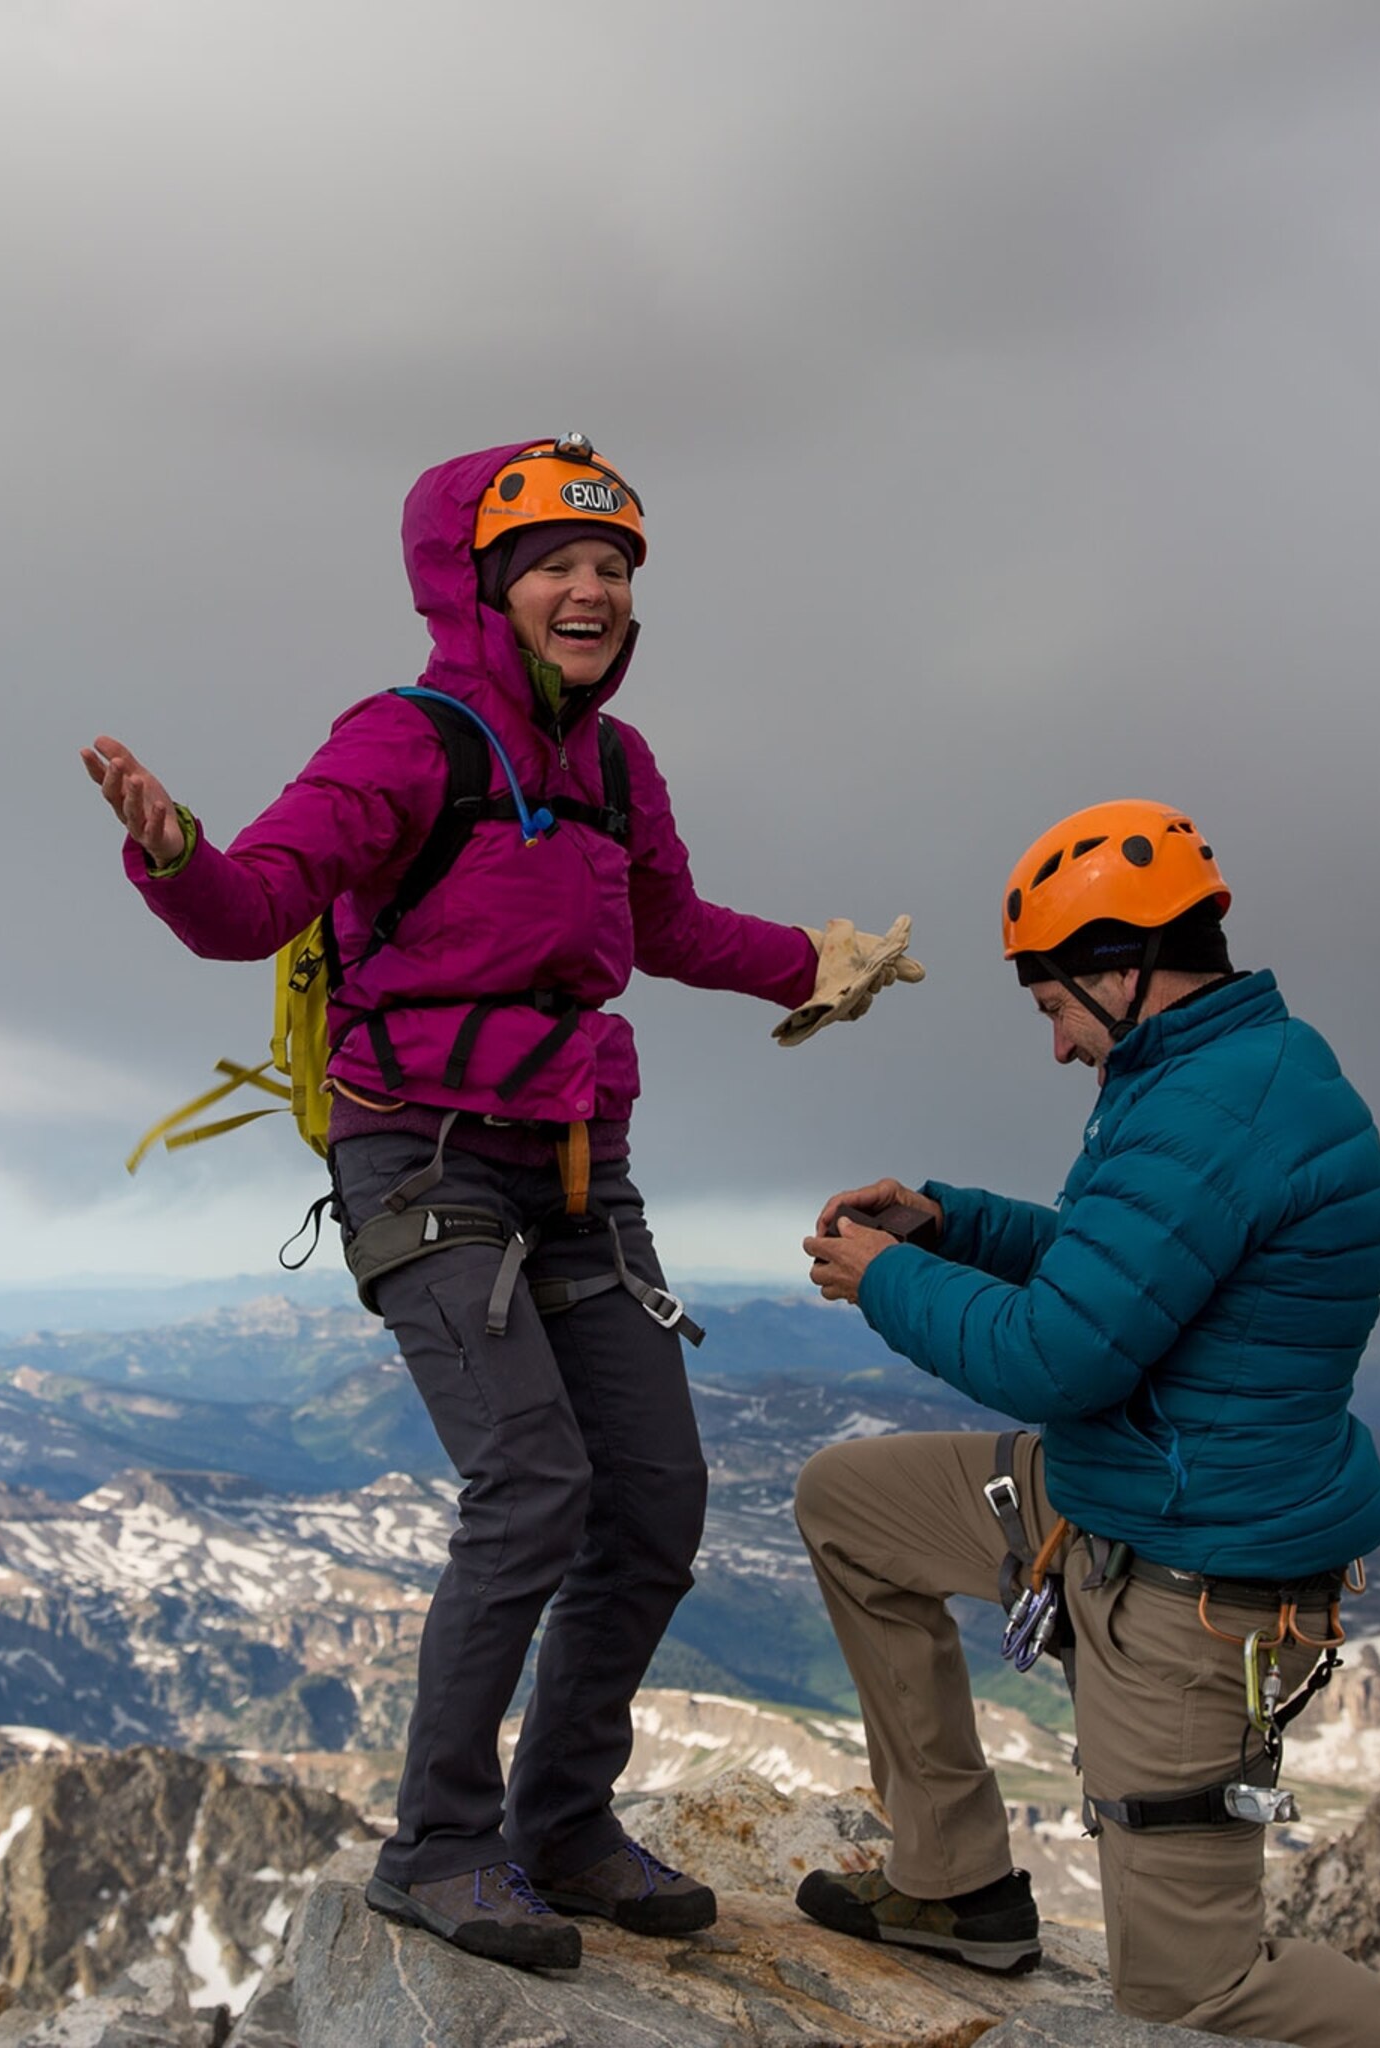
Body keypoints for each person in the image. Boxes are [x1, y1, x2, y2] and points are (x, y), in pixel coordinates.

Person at [80, 438, 921, 1972]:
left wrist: (818, 963)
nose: (591, 589)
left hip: (580, 1165)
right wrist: (178, 857)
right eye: (557, 565)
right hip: (426, 1159)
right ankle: (441, 1847)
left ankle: (563, 1824)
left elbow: (662, 924)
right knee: (534, 1485)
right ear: (480, 585)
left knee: (653, 1500)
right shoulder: (403, 740)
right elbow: (259, 902)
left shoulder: (615, 765)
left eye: (612, 568)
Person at [788, 802, 1380, 2046]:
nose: (1056, 1046)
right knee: (848, 1506)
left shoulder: (1216, 1106)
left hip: (1198, 1578)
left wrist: (883, 1278)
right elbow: (1122, 1266)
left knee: (1192, 1998)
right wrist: (954, 1221)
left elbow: (1060, 1352)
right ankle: (952, 1881)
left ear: (1118, 966)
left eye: (1053, 1008)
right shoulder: (1206, 1071)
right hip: (1119, 1490)